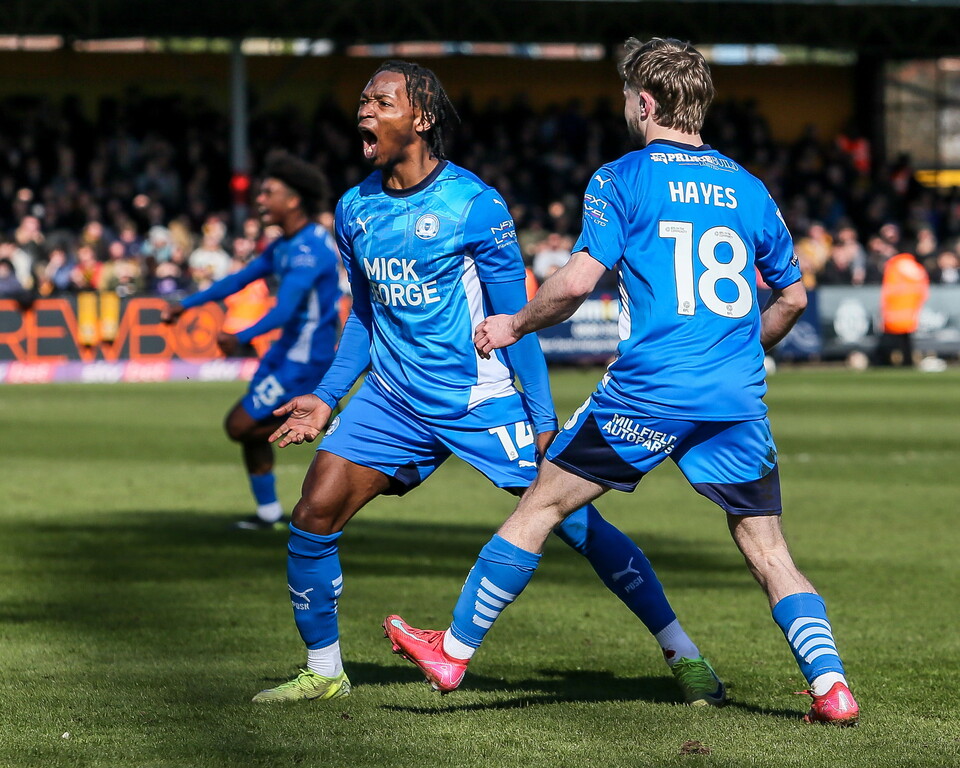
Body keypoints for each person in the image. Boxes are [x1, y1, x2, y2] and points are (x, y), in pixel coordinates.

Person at [385, 38, 860, 727]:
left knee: (541, 505)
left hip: (648, 392)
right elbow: (790, 299)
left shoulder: (620, 178)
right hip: (734, 401)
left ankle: (453, 652)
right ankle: (832, 687)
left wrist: (514, 324)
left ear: (644, 103)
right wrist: (732, 351)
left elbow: (578, 282)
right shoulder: (749, 187)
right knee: (768, 550)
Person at [252, 60, 722, 706]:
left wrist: (543, 418)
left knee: (575, 523)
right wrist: (327, 397)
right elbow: (364, 315)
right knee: (314, 510)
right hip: (393, 399)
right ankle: (325, 671)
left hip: (480, 398)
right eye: (362, 101)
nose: (365, 111)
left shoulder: (474, 206)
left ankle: (683, 654)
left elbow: (518, 319)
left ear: (422, 118)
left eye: (382, 102)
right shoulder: (354, 209)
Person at [161, 151, 341, 530]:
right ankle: (268, 514)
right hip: (284, 354)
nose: (259, 201)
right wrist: (186, 305)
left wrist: (239, 336)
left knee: (239, 426)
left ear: (292, 200)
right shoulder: (284, 245)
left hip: (304, 359)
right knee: (246, 431)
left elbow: (284, 310)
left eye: (267, 193)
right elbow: (237, 281)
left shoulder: (309, 250)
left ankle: (326, 423)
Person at [875, 250, 929, 366]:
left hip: (893, 313)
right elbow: (923, 290)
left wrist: (883, 310)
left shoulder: (894, 266)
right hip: (909, 312)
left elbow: (888, 291)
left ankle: (881, 362)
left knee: (888, 342)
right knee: (906, 341)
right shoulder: (917, 268)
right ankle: (907, 362)